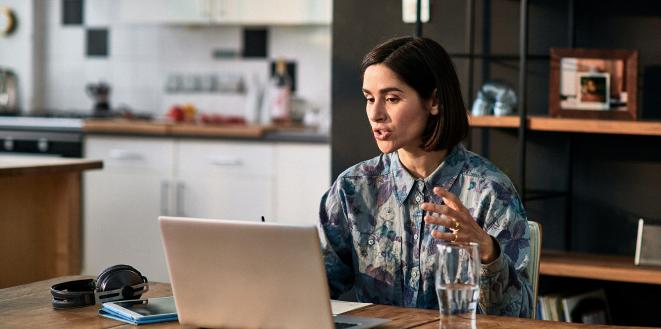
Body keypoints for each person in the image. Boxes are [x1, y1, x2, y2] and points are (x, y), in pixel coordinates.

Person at [319, 36, 533, 318]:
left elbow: (521, 315)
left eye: (392, 98)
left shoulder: (489, 191)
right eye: (369, 98)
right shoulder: (352, 188)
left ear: (433, 101)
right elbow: (317, 288)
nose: (375, 113)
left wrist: (487, 251)